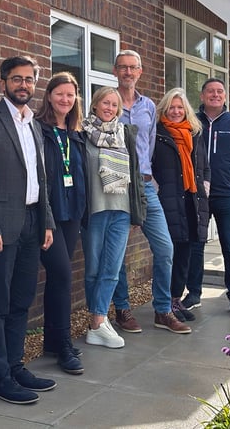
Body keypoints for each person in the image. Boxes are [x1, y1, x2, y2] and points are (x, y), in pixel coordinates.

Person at [0, 55, 56, 404]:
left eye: (30, 79)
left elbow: (40, 178)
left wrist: (46, 221)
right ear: (2, 83)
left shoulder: (33, 124)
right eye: (17, 79)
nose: (24, 85)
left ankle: (16, 367)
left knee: (21, 300)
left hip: (32, 223)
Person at [111, 50, 191, 334]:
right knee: (118, 251)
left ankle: (162, 310)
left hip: (145, 185)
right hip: (117, 184)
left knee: (165, 248)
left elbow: (150, 147)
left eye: (133, 67)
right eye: (123, 67)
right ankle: (121, 308)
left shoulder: (148, 108)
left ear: (140, 71)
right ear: (115, 70)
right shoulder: (108, 103)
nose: (128, 72)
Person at [183, 78, 230, 318]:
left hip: (227, 194)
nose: (215, 95)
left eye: (220, 91)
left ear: (224, 96)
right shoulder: (191, 122)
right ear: (202, 96)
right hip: (197, 194)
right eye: (210, 91)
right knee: (196, 244)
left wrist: (229, 174)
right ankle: (193, 293)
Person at [80, 86, 146, 349]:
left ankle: (98, 321)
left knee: (112, 270)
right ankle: (99, 319)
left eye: (114, 105)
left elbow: (136, 172)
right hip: (95, 210)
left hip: (121, 210)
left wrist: (138, 211)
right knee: (93, 270)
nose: (109, 108)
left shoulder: (125, 133)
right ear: (95, 105)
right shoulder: (81, 134)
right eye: (105, 103)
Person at [35, 72, 86, 374]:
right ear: (49, 96)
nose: (65, 100)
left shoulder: (76, 133)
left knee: (58, 279)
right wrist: (45, 219)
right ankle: (64, 344)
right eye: (59, 94)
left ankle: (52, 341)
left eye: (70, 95)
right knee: (64, 275)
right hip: (49, 217)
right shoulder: (39, 130)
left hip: (72, 215)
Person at [152, 88, 210, 322]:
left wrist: (205, 184)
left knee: (185, 252)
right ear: (164, 109)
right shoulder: (157, 134)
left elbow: (204, 165)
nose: (176, 112)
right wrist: (156, 189)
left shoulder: (195, 133)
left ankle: (176, 300)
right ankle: (164, 304)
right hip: (167, 201)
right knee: (168, 253)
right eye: (171, 108)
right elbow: (149, 165)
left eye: (180, 108)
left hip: (192, 200)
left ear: (186, 110)